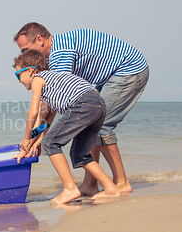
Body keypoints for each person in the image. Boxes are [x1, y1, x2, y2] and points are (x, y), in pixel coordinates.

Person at [14, 22, 149, 195]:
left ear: (39, 40)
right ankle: (90, 184)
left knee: (102, 127)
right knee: (90, 126)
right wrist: (37, 137)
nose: (25, 55)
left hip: (128, 70)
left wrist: (33, 139)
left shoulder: (60, 53)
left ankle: (121, 183)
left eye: (25, 50)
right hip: (107, 79)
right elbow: (56, 102)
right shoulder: (53, 55)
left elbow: (47, 107)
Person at [12, 50, 121, 204]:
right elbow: (44, 124)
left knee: (50, 144)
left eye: (18, 75)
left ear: (29, 70)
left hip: (83, 103)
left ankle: (70, 188)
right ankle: (111, 189)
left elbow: (33, 112)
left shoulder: (37, 78)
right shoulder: (53, 85)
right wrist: (31, 142)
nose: (19, 81)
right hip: (98, 104)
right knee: (80, 154)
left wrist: (24, 139)